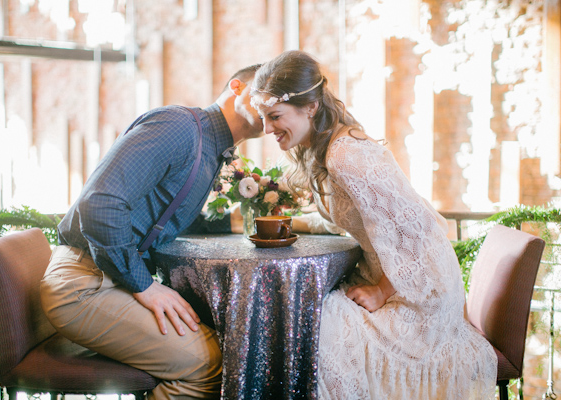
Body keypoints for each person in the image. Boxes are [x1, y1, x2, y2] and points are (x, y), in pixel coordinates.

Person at [250, 50, 497, 400]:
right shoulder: (325, 149)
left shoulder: (345, 154)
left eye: (274, 116)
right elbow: (359, 220)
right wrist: (291, 224)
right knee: (303, 321)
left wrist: (383, 290)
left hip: (419, 291)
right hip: (387, 275)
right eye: (263, 118)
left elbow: (420, 228)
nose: (266, 129)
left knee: (317, 335)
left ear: (310, 107)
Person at [40, 64, 264, 400]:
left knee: (231, 342)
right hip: (84, 284)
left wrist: (265, 221)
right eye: (264, 92)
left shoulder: (210, 147)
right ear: (236, 87)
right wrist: (144, 285)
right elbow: (100, 202)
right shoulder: (180, 127)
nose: (272, 104)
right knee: (214, 363)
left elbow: (173, 217)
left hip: (106, 278)